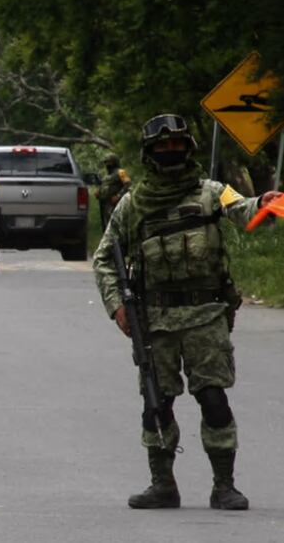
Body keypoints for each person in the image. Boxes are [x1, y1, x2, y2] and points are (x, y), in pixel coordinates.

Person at [92, 114, 283, 511]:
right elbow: (104, 259)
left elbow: (243, 209)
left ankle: (224, 486)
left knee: (213, 399)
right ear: (149, 154)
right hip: (156, 322)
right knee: (156, 403)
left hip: (205, 316)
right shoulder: (132, 206)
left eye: (176, 145)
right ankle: (162, 485)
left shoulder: (211, 193)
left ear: (189, 149)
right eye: (162, 147)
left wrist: (263, 204)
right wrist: (116, 307)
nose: (170, 151)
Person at [96, 153, 132, 227]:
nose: (107, 164)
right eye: (106, 162)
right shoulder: (106, 176)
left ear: (114, 162)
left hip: (115, 203)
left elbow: (128, 184)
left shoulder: (121, 172)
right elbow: (104, 186)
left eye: (109, 162)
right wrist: (99, 192)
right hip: (105, 203)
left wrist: (118, 196)